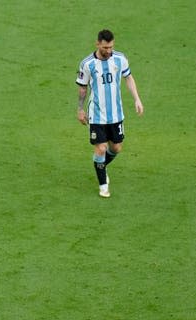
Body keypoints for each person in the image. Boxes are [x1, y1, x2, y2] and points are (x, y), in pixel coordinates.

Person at [76, 29, 144, 198]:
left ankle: (101, 166)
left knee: (116, 148)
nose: (108, 51)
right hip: (97, 114)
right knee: (100, 148)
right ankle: (103, 185)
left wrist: (137, 99)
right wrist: (80, 108)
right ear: (97, 43)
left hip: (116, 114)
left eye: (111, 47)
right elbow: (83, 88)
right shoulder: (87, 64)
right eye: (105, 47)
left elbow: (128, 77)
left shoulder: (120, 59)